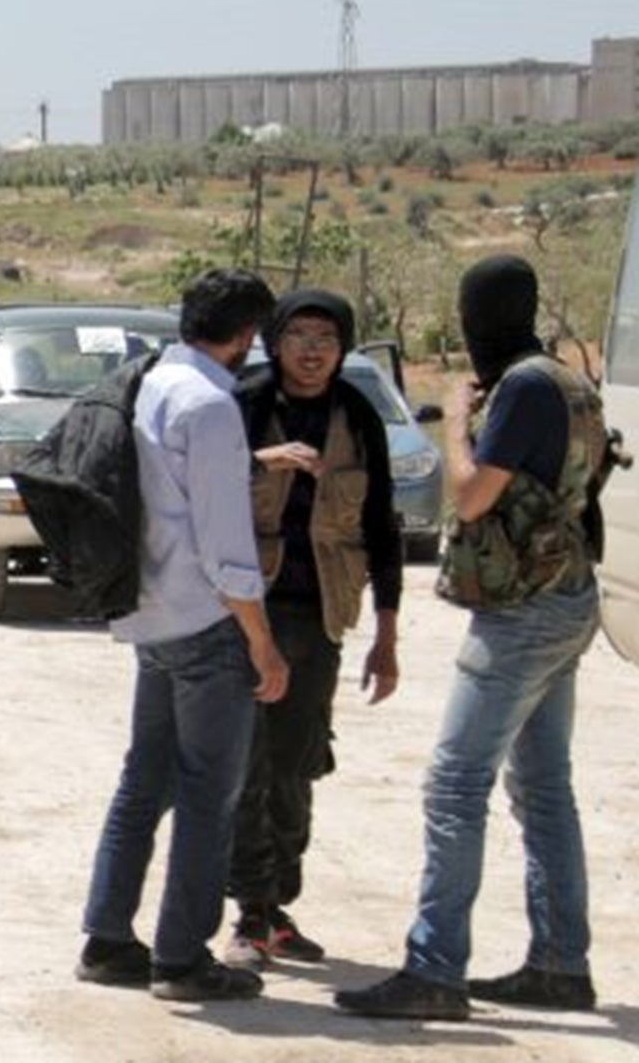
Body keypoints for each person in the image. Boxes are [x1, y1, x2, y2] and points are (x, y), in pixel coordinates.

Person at [337, 256, 608, 1021]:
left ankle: (435, 969)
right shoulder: (565, 377)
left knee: (456, 784)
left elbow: (469, 490)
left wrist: (455, 420)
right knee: (544, 788)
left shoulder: (521, 387)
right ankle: (560, 964)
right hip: (565, 595)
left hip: (524, 611)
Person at [77, 268, 286, 1004]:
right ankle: (182, 958)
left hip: (150, 615)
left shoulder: (154, 381)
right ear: (246, 335)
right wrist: (261, 641)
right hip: (205, 622)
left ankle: (107, 939)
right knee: (207, 795)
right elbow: (227, 545)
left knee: (145, 779)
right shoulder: (211, 405)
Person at [226, 289, 402, 968]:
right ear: (274, 340)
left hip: (321, 618)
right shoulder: (245, 404)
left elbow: (383, 530)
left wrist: (387, 638)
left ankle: (275, 906)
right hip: (246, 614)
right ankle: (248, 912)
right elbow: (195, 489)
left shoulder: (358, 415)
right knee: (246, 764)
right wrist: (263, 461)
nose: (310, 349)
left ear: (344, 346)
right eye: (297, 334)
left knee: (298, 765)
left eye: (325, 337)